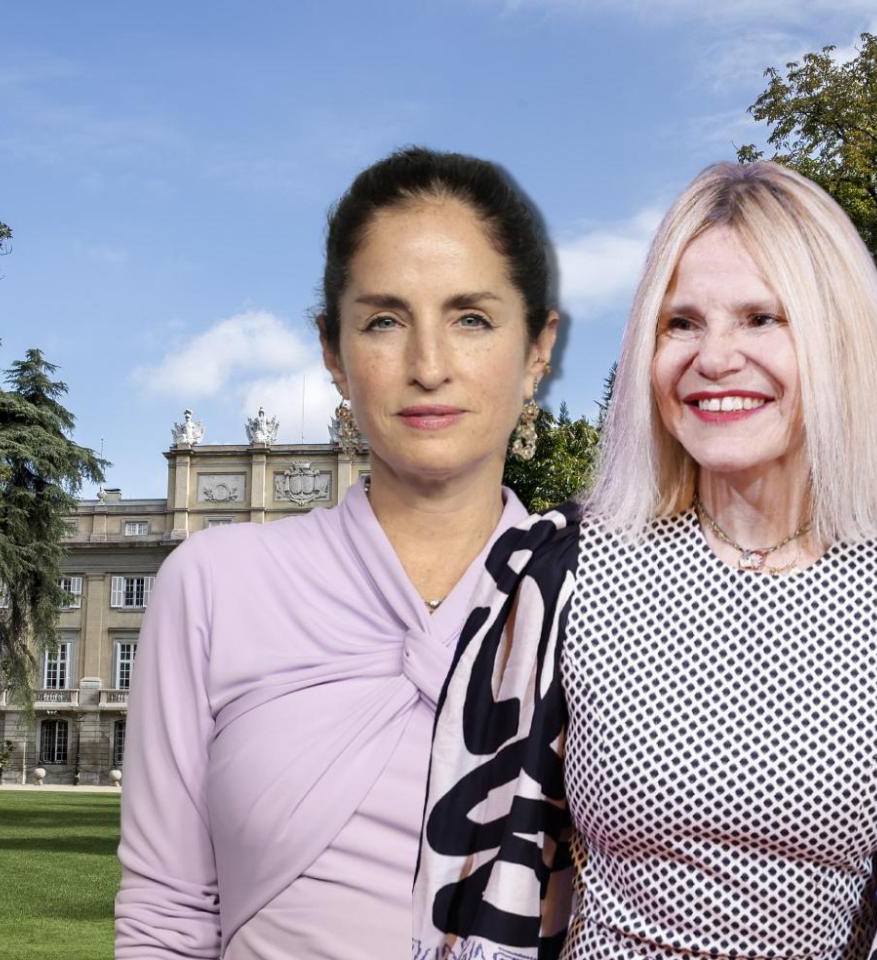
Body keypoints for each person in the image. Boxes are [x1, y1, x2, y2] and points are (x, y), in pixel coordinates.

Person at [413, 161, 877, 960]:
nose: (714, 357)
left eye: (759, 318)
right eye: (681, 323)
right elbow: (475, 903)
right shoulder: (556, 573)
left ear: (836, 339)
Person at [115, 147, 558, 958]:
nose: (429, 367)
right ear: (332, 352)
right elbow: (166, 917)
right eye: (385, 320)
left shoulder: (599, 594)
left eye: (472, 318)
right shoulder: (215, 583)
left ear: (538, 349)